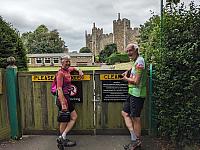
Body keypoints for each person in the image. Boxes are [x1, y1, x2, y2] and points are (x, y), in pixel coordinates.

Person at [121, 43, 146, 150]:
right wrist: (127, 72)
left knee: (136, 118)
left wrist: (126, 79)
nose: (128, 53)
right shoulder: (136, 61)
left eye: (130, 51)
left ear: (136, 50)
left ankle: (137, 142)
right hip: (132, 93)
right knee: (125, 113)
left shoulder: (140, 61)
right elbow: (134, 70)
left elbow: (136, 81)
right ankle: (133, 138)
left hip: (138, 93)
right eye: (127, 51)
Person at [56, 54, 83, 147]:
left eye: (69, 61)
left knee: (72, 117)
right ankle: (62, 138)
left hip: (67, 97)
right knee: (65, 119)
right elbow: (59, 89)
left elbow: (74, 68)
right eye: (66, 61)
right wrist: (63, 103)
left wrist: (79, 70)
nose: (68, 62)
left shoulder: (68, 70)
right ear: (61, 62)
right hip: (62, 98)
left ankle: (62, 137)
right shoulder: (60, 73)